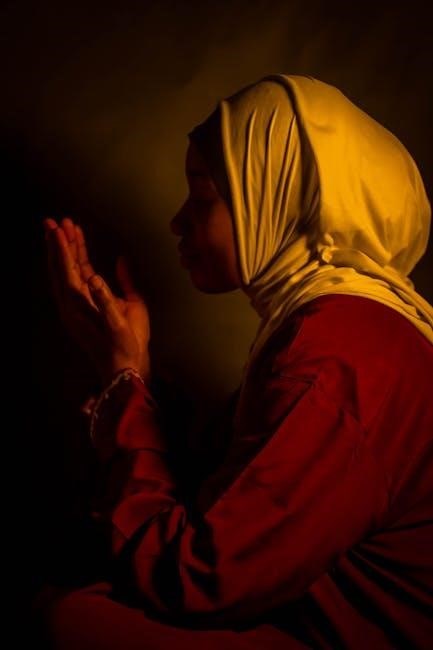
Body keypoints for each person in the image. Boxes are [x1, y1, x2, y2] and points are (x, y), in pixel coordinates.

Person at [40, 74, 433, 649]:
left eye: (202, 197)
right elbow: (217, 496)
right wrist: (129, 366)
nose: (177, 221)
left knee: (69, 622)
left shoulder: (337, 356)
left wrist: (123, 381)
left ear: (280, 200)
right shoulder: (338, 326)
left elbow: (200, 578)